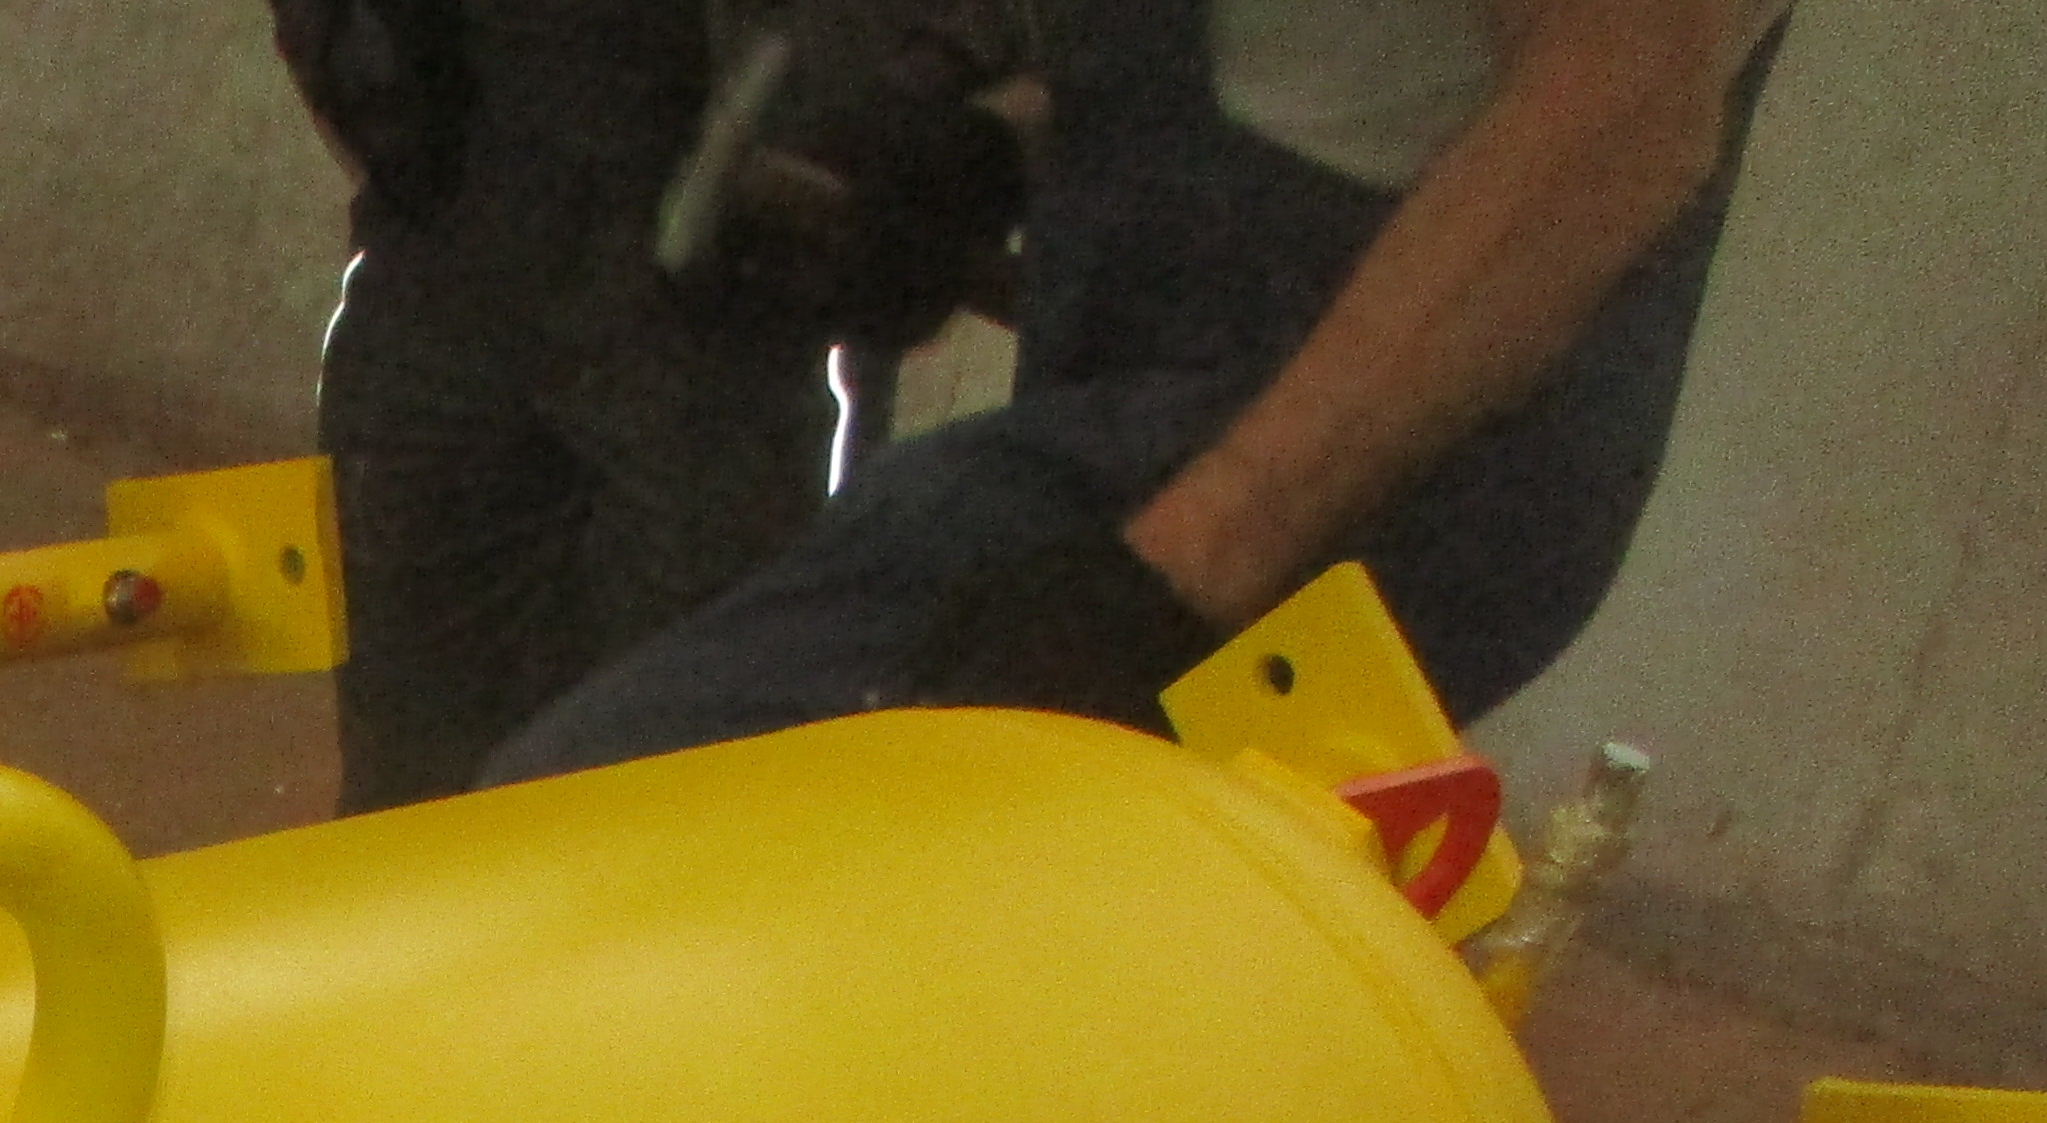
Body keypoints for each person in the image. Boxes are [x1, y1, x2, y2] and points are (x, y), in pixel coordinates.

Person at [484, 0, 1786, 781]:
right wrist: (994, 149)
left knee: (609, 829)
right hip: (1181, 357)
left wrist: (1177, 575)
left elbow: (1624, 109)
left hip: (1353, 444)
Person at [272, 0, 1033, 810]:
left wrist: (965, 134)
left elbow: (1085, 54)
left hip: (742, 297)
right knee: (411, 801)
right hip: (455, 241)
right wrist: (348, 50)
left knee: (678, 790)